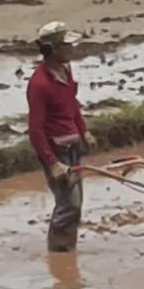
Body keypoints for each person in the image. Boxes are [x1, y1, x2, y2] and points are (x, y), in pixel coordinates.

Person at [26, 31, 88, 248]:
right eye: (66, 46)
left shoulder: (65, 71)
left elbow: (72, 104)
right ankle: (59, 254)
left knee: (75, 205)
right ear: (52, 50)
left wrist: (83, 132)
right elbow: (35, 129)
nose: (72, 49)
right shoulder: (39, 84)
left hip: (73, 146)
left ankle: (68, 253)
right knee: (68, 206)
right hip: (57, 150)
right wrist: (52, 162)